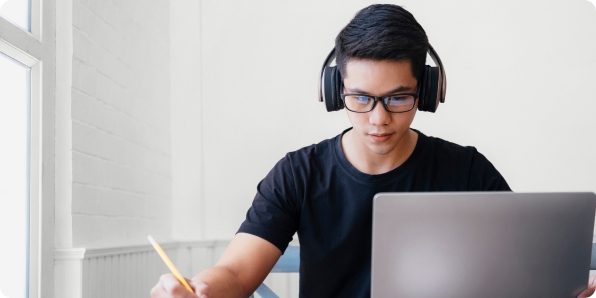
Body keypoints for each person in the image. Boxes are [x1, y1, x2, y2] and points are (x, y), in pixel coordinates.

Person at [151, 4, 596, 298]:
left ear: (426, 92)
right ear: (334, 90)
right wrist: (197, 288)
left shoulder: (467, 171)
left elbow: (517, 269)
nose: (378, 119)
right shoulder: (298, 174)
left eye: (398, 98)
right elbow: (236, 273)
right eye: (360, 98)